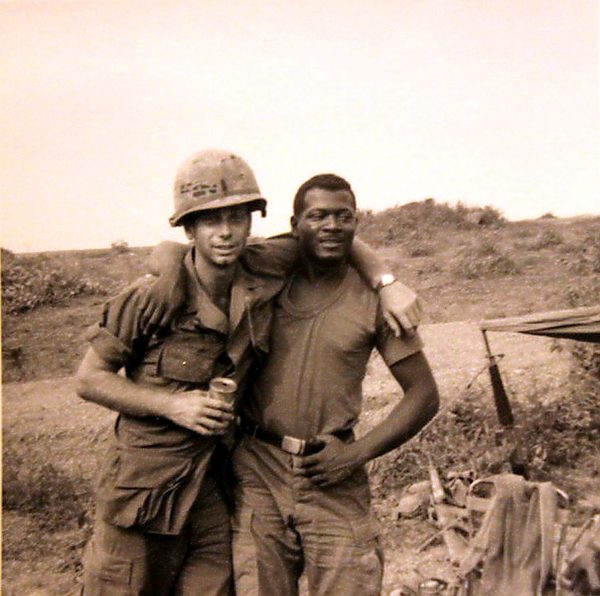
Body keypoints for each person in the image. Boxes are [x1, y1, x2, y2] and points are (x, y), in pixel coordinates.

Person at [75, 150, 421, 596]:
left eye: (236, 218)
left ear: (251, 221)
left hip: (217, 493)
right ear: (189, 229)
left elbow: (332, 233)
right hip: (144, 493)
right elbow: (88, 379)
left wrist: (385, 282)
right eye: (210, 221)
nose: (224, 233)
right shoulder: (148, 297)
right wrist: (172, 404)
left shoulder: (262, 270)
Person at [231, 174, 440, 596]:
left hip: (332, 469)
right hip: (258, 469)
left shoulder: (376, 300)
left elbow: (424, 395)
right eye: (317, 216)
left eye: (343, 216)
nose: (331, 226)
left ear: (356, 223)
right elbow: (187, 258)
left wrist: (354, 455)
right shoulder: (265, 281)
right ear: (294, 225)